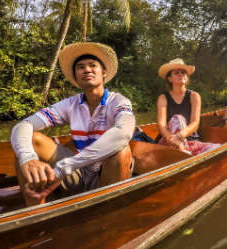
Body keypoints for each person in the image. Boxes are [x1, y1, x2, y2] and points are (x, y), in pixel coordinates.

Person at [11, 43, 135, 206]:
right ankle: (36, 211)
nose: (87, 70)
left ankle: (108, 211)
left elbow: (124, 133)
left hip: (105, 172)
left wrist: (63, 169)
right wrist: (28, 158)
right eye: (80, 67)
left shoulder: (118, 102)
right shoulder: (69, 104)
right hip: (79, 171)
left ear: (103, 72)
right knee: (31, 140)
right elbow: (23, 125)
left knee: (122, 150)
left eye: (93, 65)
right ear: (75, 76)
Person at [156, 59, 220, 156]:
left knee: (217, 149)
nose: (181, 74)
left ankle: (185, 154)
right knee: (177, 119)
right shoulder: (163, 98)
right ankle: (183, 153)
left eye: (183, 72)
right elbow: (161, 125)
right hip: (169, 141)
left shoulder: (194, 96)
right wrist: (174, 140)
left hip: (190, 141)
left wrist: (179, 136)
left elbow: (195, 122)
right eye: (176, 73)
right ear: (170, 79)